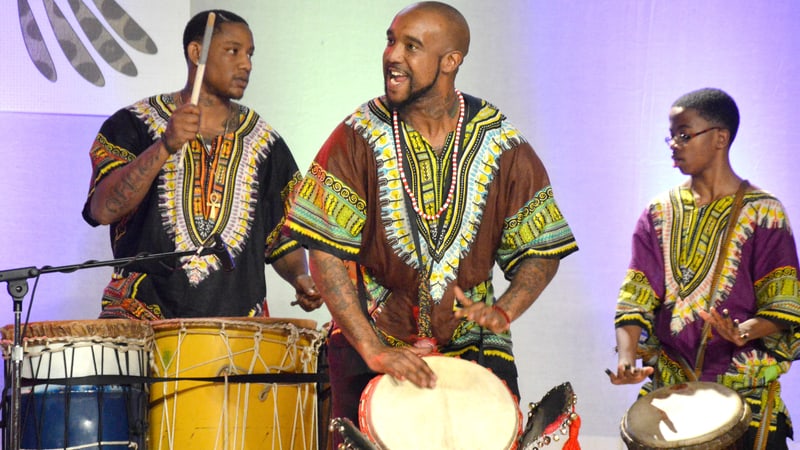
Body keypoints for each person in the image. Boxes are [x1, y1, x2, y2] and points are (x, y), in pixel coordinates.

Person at [284, 0, 578, 440]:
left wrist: (504, 310)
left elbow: (541, 248)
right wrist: (373, 348)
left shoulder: (500, 141)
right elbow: (323, 250)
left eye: (411, 46)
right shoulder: (358, 134)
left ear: (450, 61)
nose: (393, 55)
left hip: (473, 349)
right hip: (374, 344)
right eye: (390, 40)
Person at [82, 10, 322, 319]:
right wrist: (165, 146)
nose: (246, 64)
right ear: (197, 53)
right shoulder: (132, 124)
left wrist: (300, 277)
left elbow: (282, 236)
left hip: (238, 333)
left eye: (249, 54)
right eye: (233, 51)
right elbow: (103, 209)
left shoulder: (265, 142)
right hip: (142, 323)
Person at [608, 88, 800, 449]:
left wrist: (744, 331)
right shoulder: (658, 213)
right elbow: (634, 298)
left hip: (744, 400)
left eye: (684, 134)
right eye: (672, 136)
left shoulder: (765, 213)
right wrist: (626, 357)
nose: (674, 145)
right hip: (670, 394)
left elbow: (784, 302)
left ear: (720, 138)